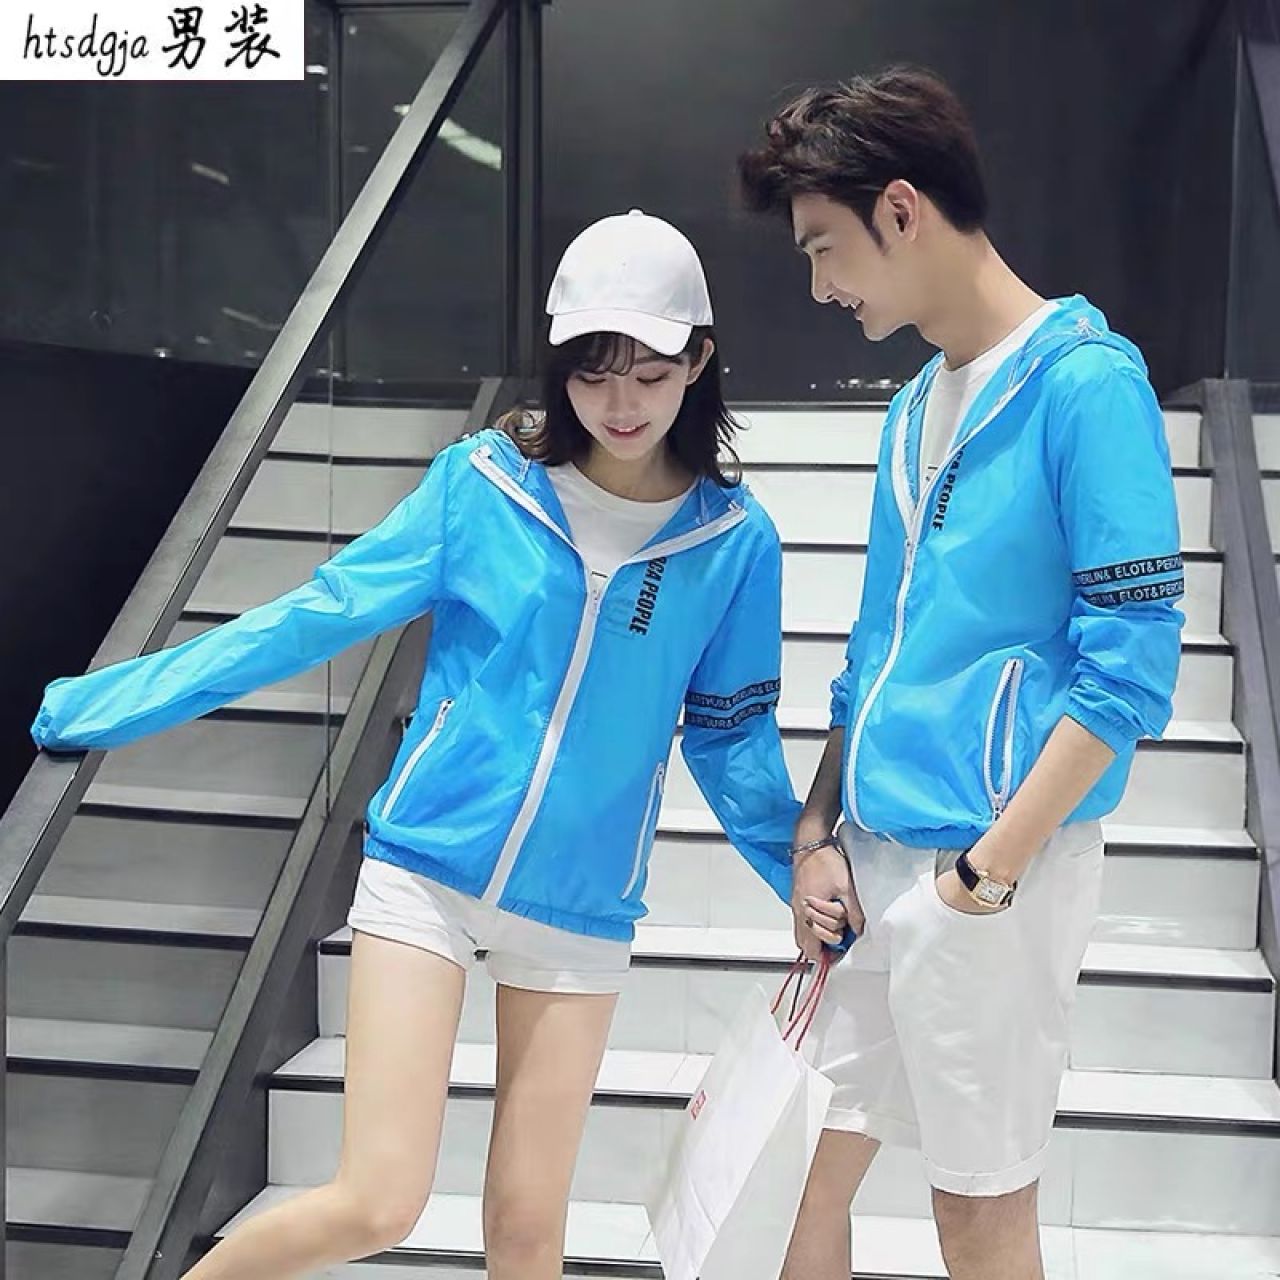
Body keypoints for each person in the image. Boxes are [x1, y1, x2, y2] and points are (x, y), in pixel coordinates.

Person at [31, 209, 802, 1280]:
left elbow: (730, 736)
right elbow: (319, 613)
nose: (619, 404)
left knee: (527, 1234)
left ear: (699, 362)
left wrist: (804, 875)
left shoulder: (732, 540)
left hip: (579, 904)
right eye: (591, 373)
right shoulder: (482, 485)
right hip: (426, 870)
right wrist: (114, 701)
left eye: (649, 374)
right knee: (378, 1200)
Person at [738, 67, 1184, 1280]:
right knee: (791, 1181)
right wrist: (816, 831)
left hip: (988, 872)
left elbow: (1130, 666)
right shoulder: (910, 407)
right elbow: (870, 651)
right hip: (872, 858)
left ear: (899, 210)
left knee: (977, 1216)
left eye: (822, 248)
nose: (819, 286)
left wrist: (984, 874)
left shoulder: (1085, 384)